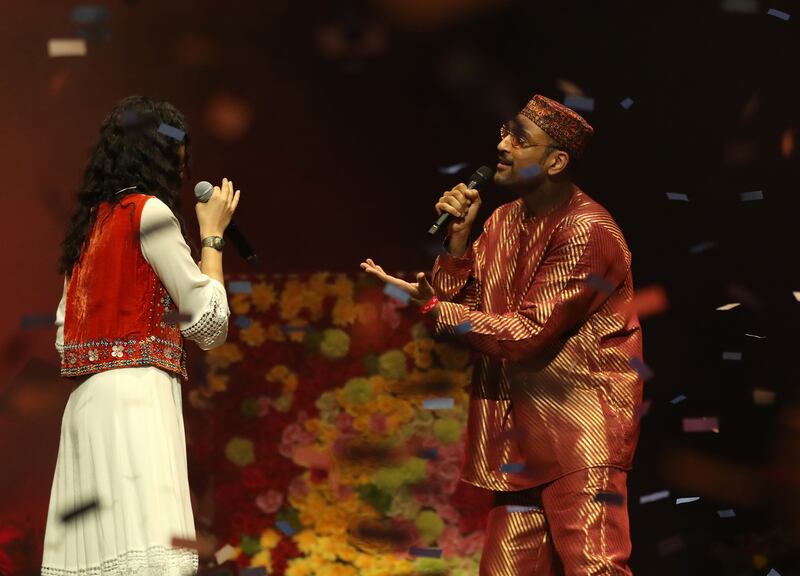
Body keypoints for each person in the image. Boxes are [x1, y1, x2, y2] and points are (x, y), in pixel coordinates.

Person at [361, 94, 643, 575]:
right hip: (519, 441)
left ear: (555, 161)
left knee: (595, 570)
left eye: (519, 139)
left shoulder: (586, 231)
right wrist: (456, 244)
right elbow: (471, 312)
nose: (502, 145)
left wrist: (436, 308)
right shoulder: (503, 220)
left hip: (580, 435)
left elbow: (526, 333)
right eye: (503, 132)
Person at [42, 95, 240, 576]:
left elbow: (65, 338)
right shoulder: (149, 214)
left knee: (103, 554)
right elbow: (210, 324)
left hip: (87, 409)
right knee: (149, 547)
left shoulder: (89, 229)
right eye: (176, 154)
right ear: (155, 155)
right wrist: (212, 237)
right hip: (136, 402)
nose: (180, 167)